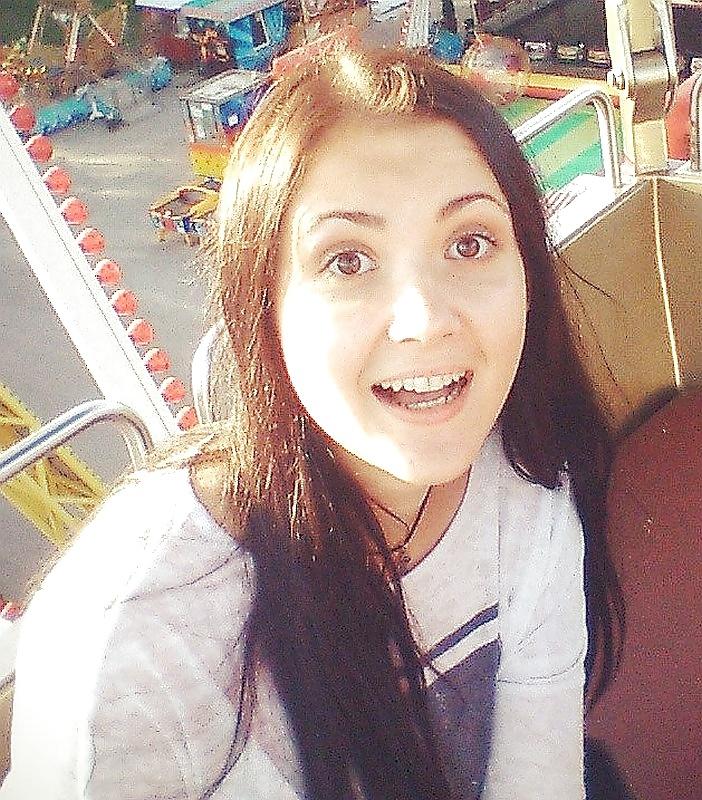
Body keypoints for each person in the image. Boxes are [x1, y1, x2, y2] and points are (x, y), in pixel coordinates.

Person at [1, 46, 623, 800]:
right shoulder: (137, 643)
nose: (425, 320)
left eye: (469, 244)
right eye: (347, 261)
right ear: (264, 308)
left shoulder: (525, 482)